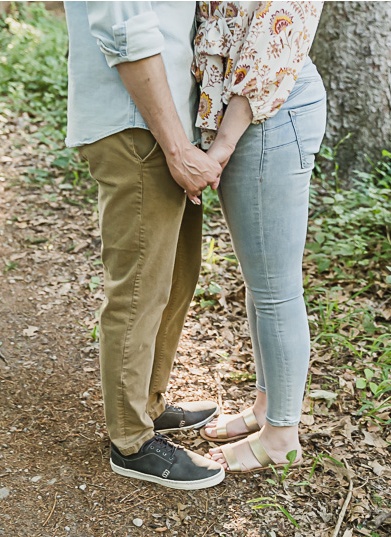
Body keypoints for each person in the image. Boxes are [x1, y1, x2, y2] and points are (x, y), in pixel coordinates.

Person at [64, 2, 225, 489]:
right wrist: (176, 147)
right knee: (138, 289)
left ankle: (148, 403)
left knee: (175, 276)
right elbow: (124, 29)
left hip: (165, 124)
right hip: (139, 127)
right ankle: (131, 442)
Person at [194, 1, 326, 473]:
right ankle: (265, 411)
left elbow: (275, 39)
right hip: (246, 114)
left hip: (269, 111)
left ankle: (282, 437)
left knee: (276, 289)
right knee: (262, 281)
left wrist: (223, 144)